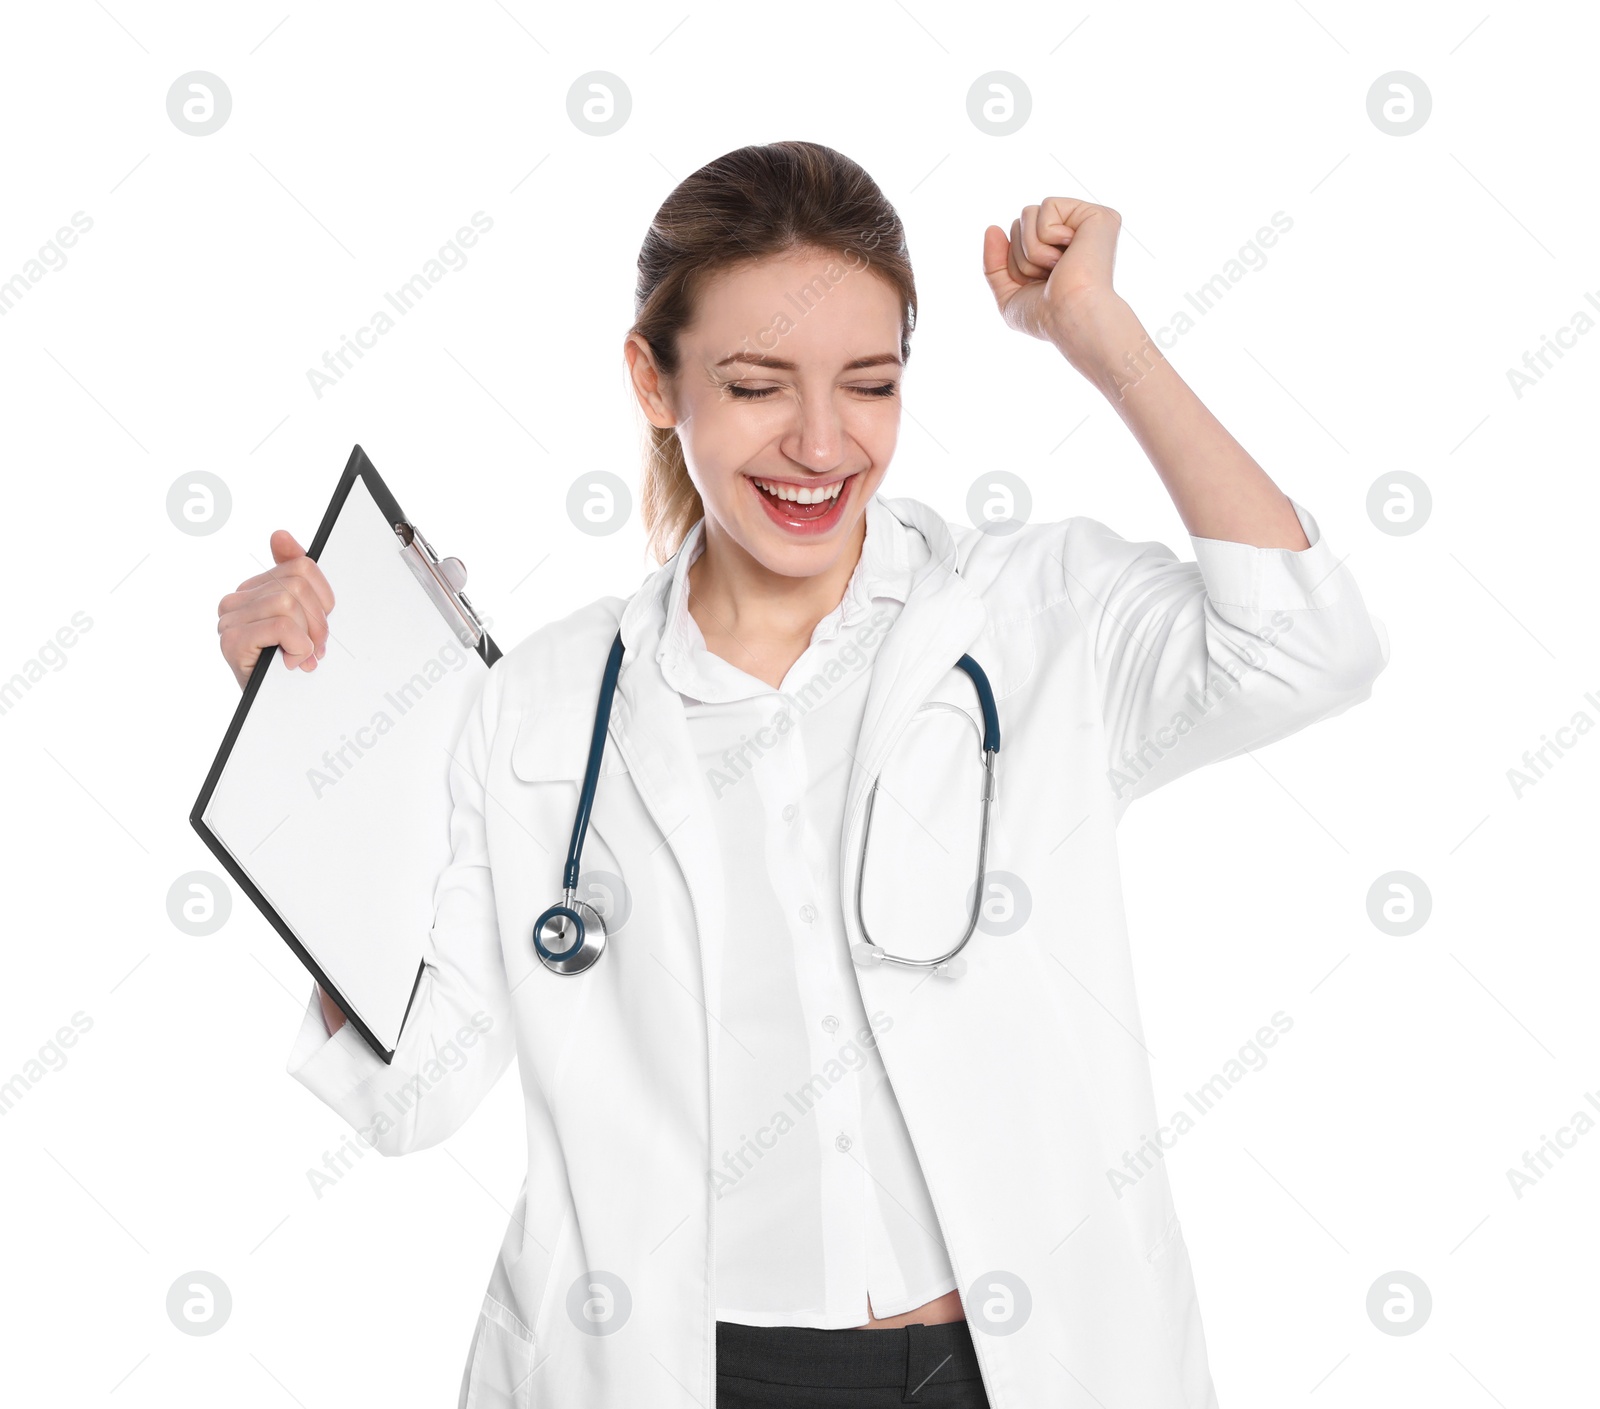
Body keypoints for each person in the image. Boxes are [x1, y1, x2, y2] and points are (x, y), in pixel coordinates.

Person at [214, 141, 1388, 1409]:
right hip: (683, 1370)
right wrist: (306, 731)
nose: (821, 444)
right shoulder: (540, 705)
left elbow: (1304, 647)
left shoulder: (1031, 617)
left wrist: (1102, 338)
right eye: (758, 384)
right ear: (654, 383)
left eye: (869, 385)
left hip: (1012, 1366)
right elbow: (418, 1085)